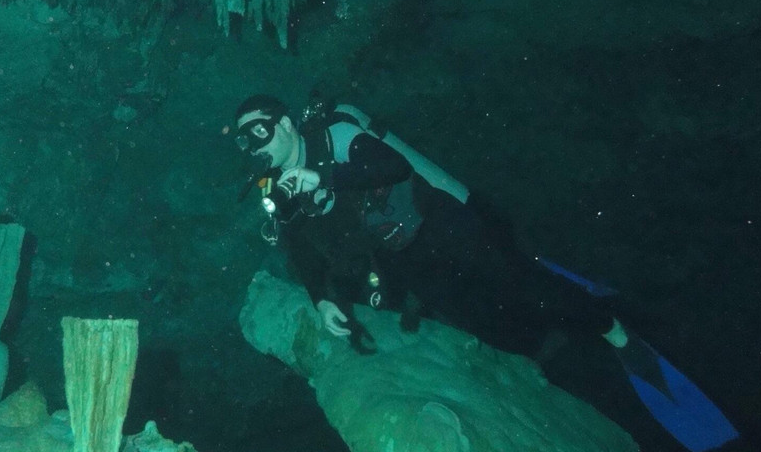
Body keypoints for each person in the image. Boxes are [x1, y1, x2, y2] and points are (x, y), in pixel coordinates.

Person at [232, 93, 629, 356]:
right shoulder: (277, 190)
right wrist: (320, 298)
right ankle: (547, 344)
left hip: (440, 220)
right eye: (245, 141)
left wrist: (326, 177)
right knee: (482, 322)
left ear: (285, 124)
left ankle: (605, 323)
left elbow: (393, 166)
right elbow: (302, 250)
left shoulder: (335, 135)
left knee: (520, 283)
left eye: (259, 131)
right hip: (400, 255)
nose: (256, 145)